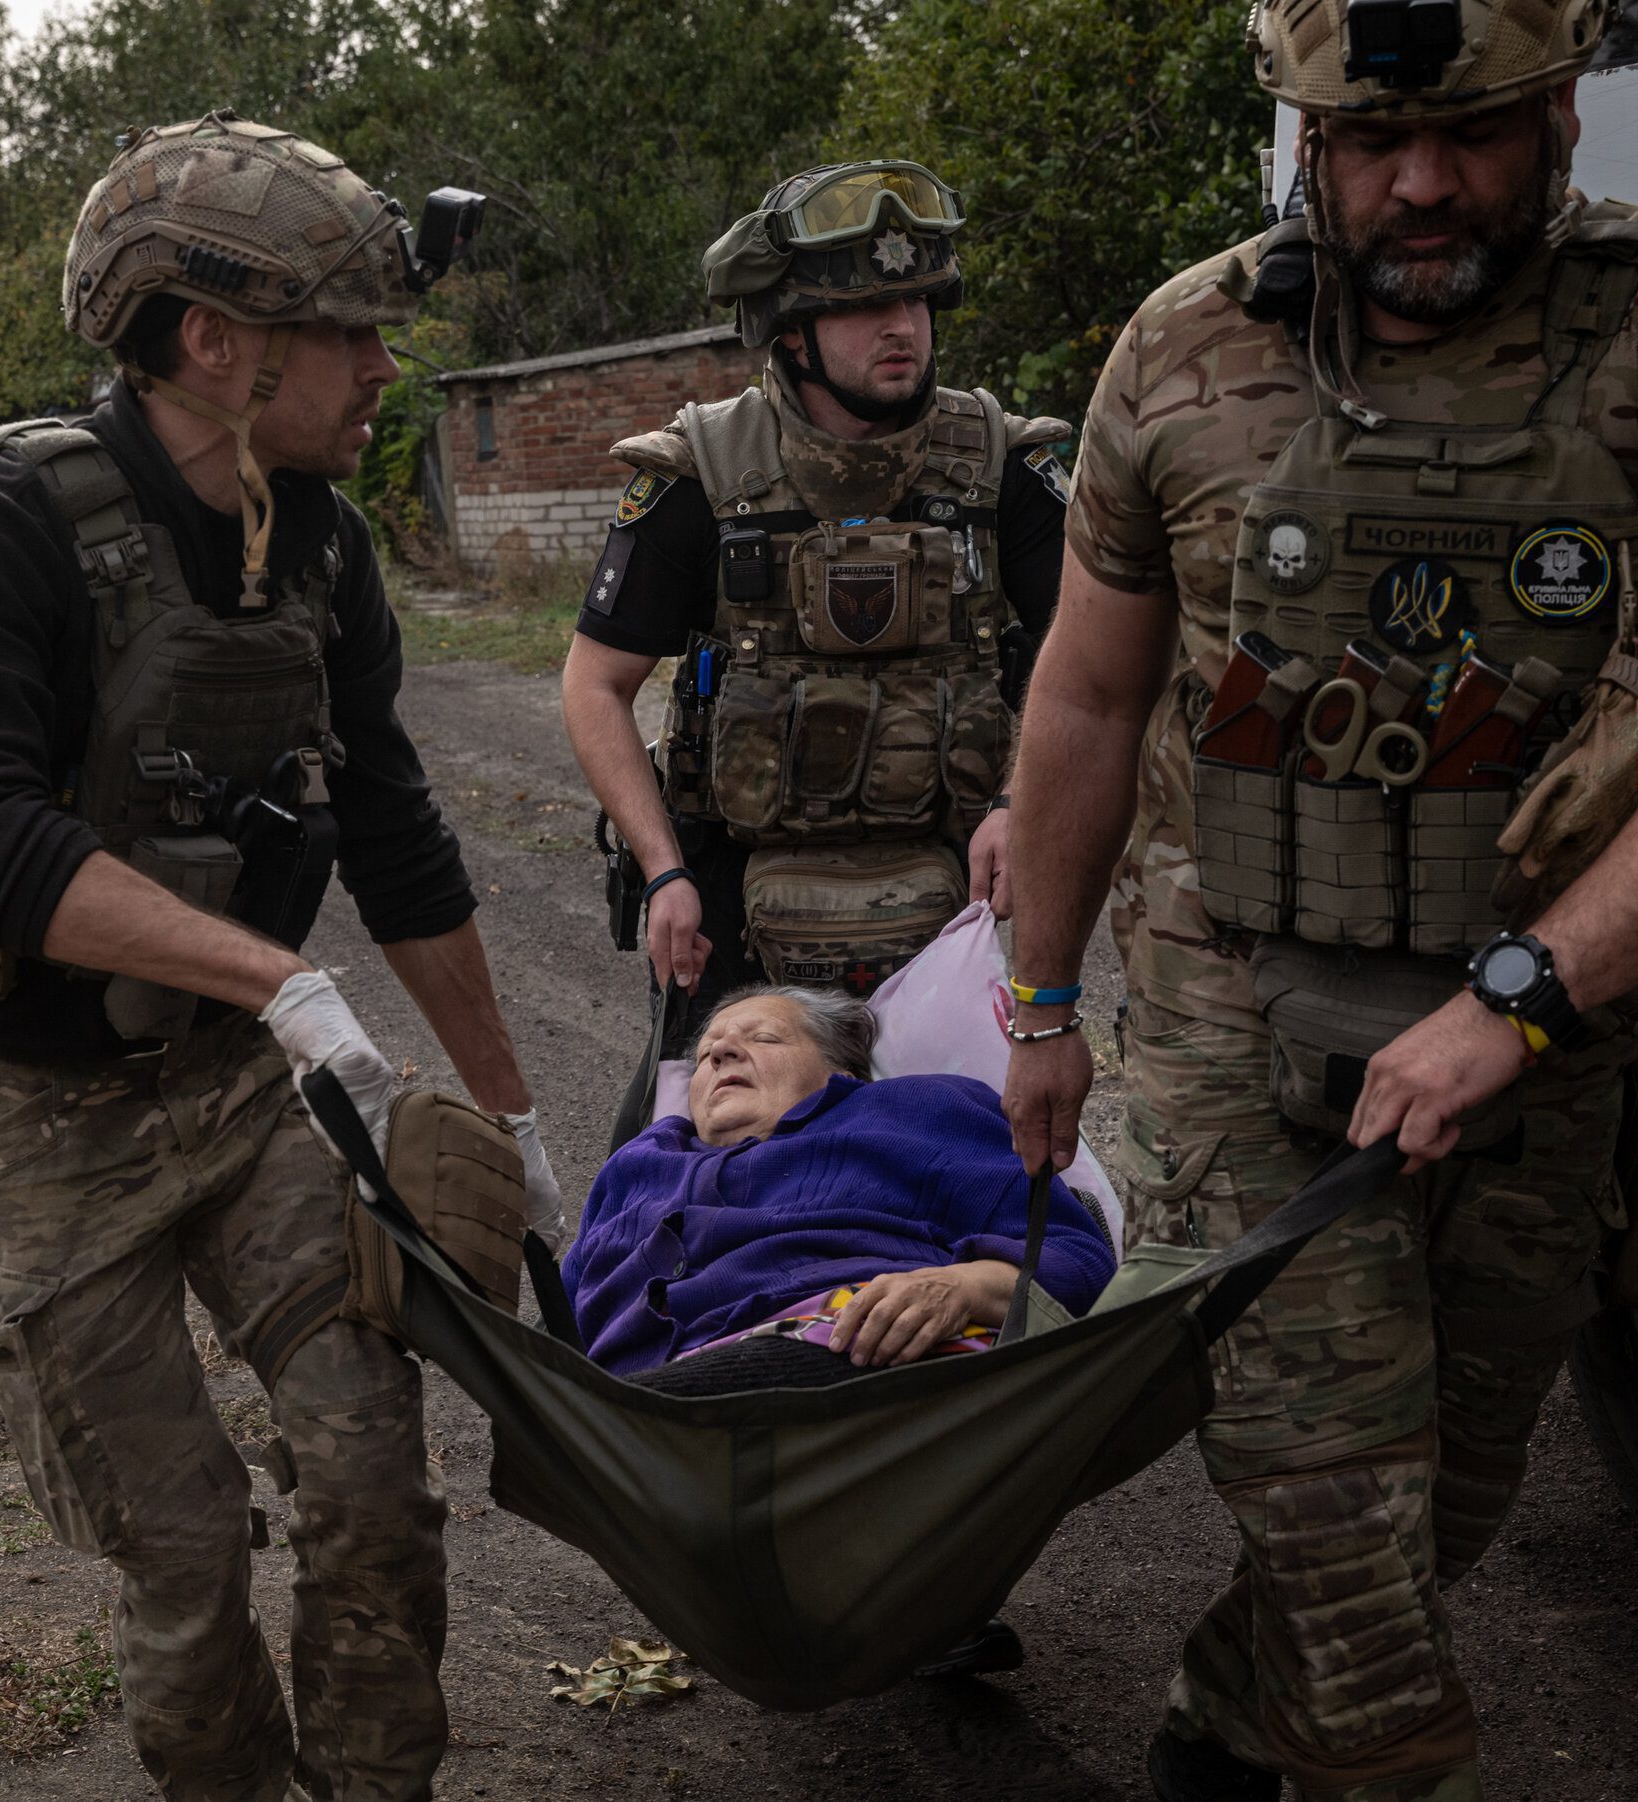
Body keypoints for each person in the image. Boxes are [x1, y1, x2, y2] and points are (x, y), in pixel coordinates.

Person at [0, 112, 560, 1802]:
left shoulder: (320, 540)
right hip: (46, 1123)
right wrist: (277, 978)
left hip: (237, 1096)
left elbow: (394, 830)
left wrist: (513, 1111)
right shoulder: (7, 522)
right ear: (213, 342)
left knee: (374, 1473)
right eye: (348, 333)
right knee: (184, 1554)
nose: (384, 368)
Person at [1000, 4, 1636, 1799]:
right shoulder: (1185, 346)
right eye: (1370, 144)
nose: (1421, 184)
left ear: (1563, 114)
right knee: (1341, 1520)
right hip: (1235, 1009)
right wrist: (1041, 1005)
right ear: (1304, 140)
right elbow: (1089, 698)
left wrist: (1516, 1004)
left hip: (1551, 1030)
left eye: (1476, 133)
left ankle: (1221, 1719)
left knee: (1455, 1493)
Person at [561, 161, 1073, 1053]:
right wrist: (664, 871)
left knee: (968, 1133)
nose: (902, 326)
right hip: (735, 902)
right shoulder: (703, 476)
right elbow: (594, 684)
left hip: (955, 891)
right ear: (790, 332)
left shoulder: (1005, 471)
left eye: (916, 301)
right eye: (864, 307)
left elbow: (1090, 668)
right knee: (700, 1128)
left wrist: (1015, 803)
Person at [564, 987, 1115, 1384]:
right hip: (631, 1409)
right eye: (707, 1053)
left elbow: (1079, 1262)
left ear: (842, 1073)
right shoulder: (638, 1163)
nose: (721, 1054)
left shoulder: (917, 1111)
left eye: (764, 1037)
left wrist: (963, 1287)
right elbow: (558, 1320)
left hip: (850, 1359)